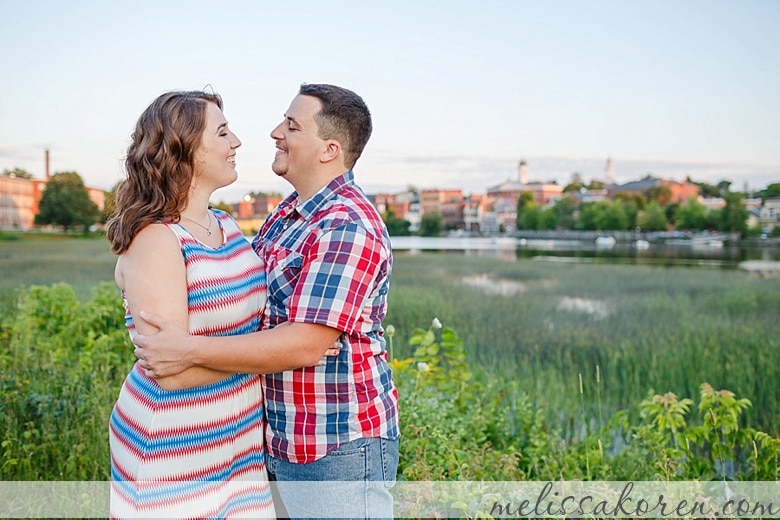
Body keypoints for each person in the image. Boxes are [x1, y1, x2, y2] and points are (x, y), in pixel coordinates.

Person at [133, 84, 400, 519]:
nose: (275, 132)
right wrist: (295, 339)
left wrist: (190, 348)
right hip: (272, 437)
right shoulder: (287, 213)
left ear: (329, 149)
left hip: (333, 443)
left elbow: (305, 345)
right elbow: (251, 306)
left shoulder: (347, 225)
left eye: (292, 126)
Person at [106, 90, 335, 518]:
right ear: (186, 147)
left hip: (239, 443)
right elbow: (173, 373)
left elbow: (249, 318)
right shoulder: (156, 240)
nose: (238, 142)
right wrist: (285, 353)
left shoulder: (226, 225)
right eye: (223, 132)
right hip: (175, 445)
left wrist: (305, 336)